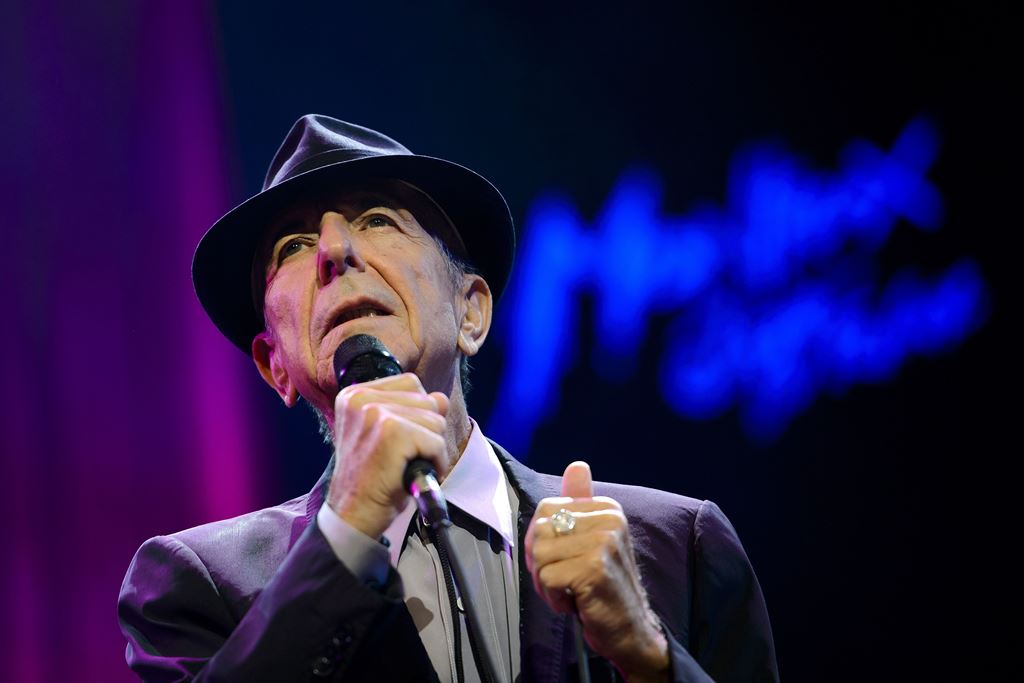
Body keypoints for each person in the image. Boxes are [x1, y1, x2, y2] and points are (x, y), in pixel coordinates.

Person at [118, 115, 778, 682]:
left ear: (472, 313)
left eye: (376, 218)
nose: (335, 251)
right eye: (293, 245)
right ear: (275, 367)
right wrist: (346, 534)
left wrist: (647, 654)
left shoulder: (677, 548)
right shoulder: (195, 584)